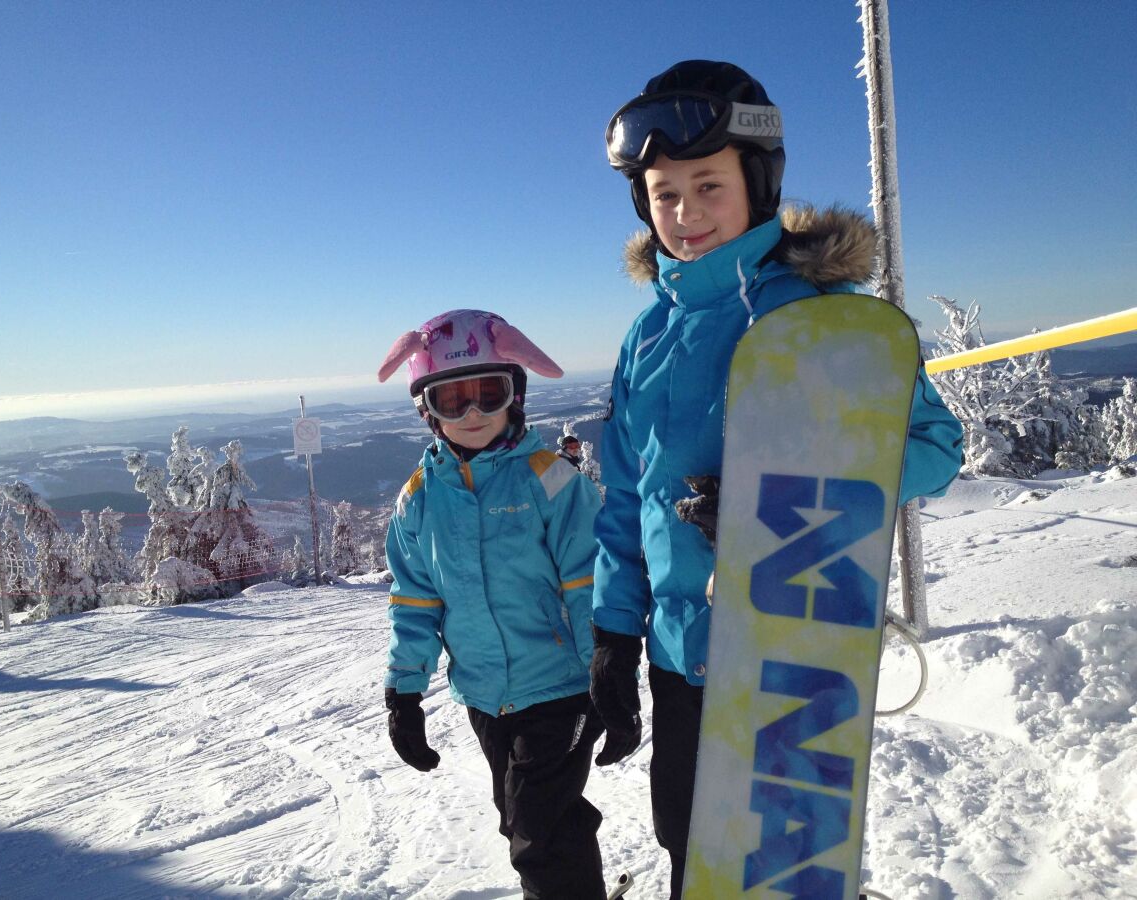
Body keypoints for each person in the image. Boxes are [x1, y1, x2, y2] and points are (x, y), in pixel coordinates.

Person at [587, 60, 964, 899]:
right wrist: (615, 632)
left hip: (788, 651)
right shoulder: (646, 334)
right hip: (682, 658)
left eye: (708, 186)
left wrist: (776, 497)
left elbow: (935, 445)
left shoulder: (816, 314)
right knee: (693, 855)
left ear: (756, 182)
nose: (684, 215)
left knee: (785, 867)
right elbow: (625, 496)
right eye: (664, 193)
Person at [376, 308, 607, 900]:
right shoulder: (418, 502)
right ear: (427, 409)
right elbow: (415, 602)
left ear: (516, 394)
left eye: (489, 393)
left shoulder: (549, 477)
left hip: (560, 685)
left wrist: (604, 674)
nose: (474, 413)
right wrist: (404, 692)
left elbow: (587, 581)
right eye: (453, 400)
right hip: (486, 694)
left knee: (536, 826)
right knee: (523, 818)